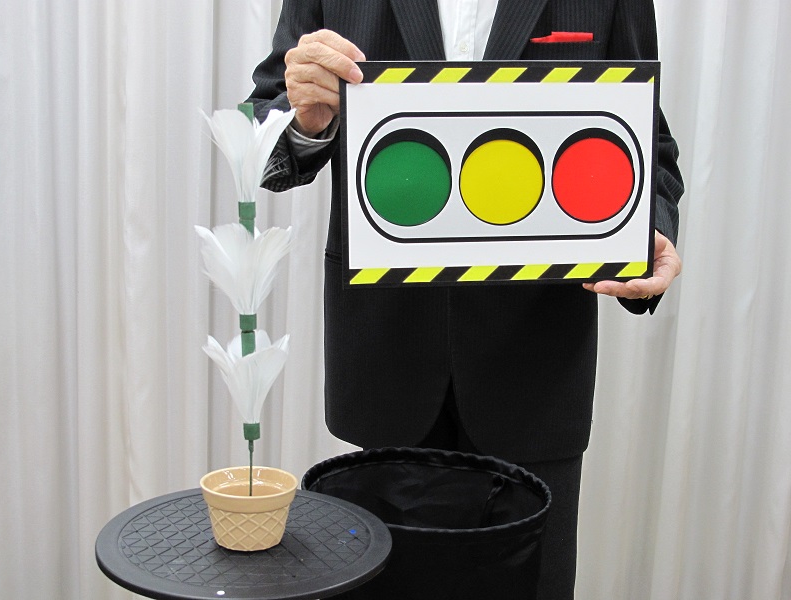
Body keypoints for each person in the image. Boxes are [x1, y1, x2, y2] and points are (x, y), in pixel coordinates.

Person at [247, 1, 683, 598]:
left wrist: (645, 231)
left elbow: (648, 143)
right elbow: (264, 117)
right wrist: (305, 120)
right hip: (387, 358)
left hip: (537, 368)